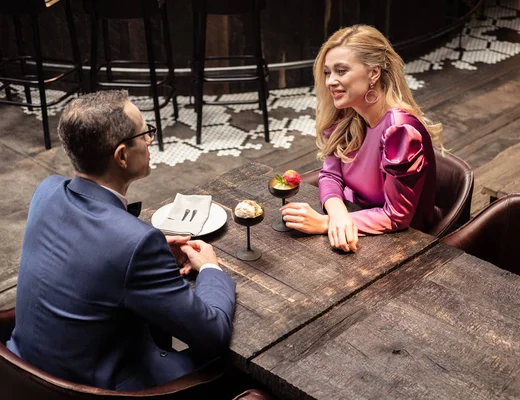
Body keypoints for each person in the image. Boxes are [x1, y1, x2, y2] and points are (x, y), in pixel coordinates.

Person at [6, 91, 237, 391]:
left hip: (23, 377)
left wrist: (144, 254)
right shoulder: (136, 245)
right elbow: (213, 333)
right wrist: (209, 269)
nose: (151, 141)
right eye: (145, 133)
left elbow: (94, 250)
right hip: (104, 388)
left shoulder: (46, 191)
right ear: (122, 155)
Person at [281, 24, 442, 252]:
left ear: (373, 73)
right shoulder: (350, 114)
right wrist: (338, 215)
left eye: (341, 71)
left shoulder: (400, 130)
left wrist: (324, 223)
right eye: (327, 72)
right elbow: (330, 174)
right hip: (353, 219)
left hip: (404, 244)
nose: (330, 81)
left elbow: (397, 217)